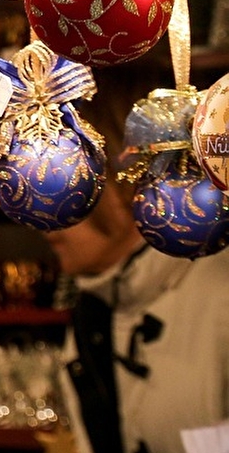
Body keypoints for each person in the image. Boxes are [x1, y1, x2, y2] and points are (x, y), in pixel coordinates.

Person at [45, 69, 229, 453]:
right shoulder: (95, 310)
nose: (46, 213)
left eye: (62, 179)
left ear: (128, 176)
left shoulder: (220, 294)